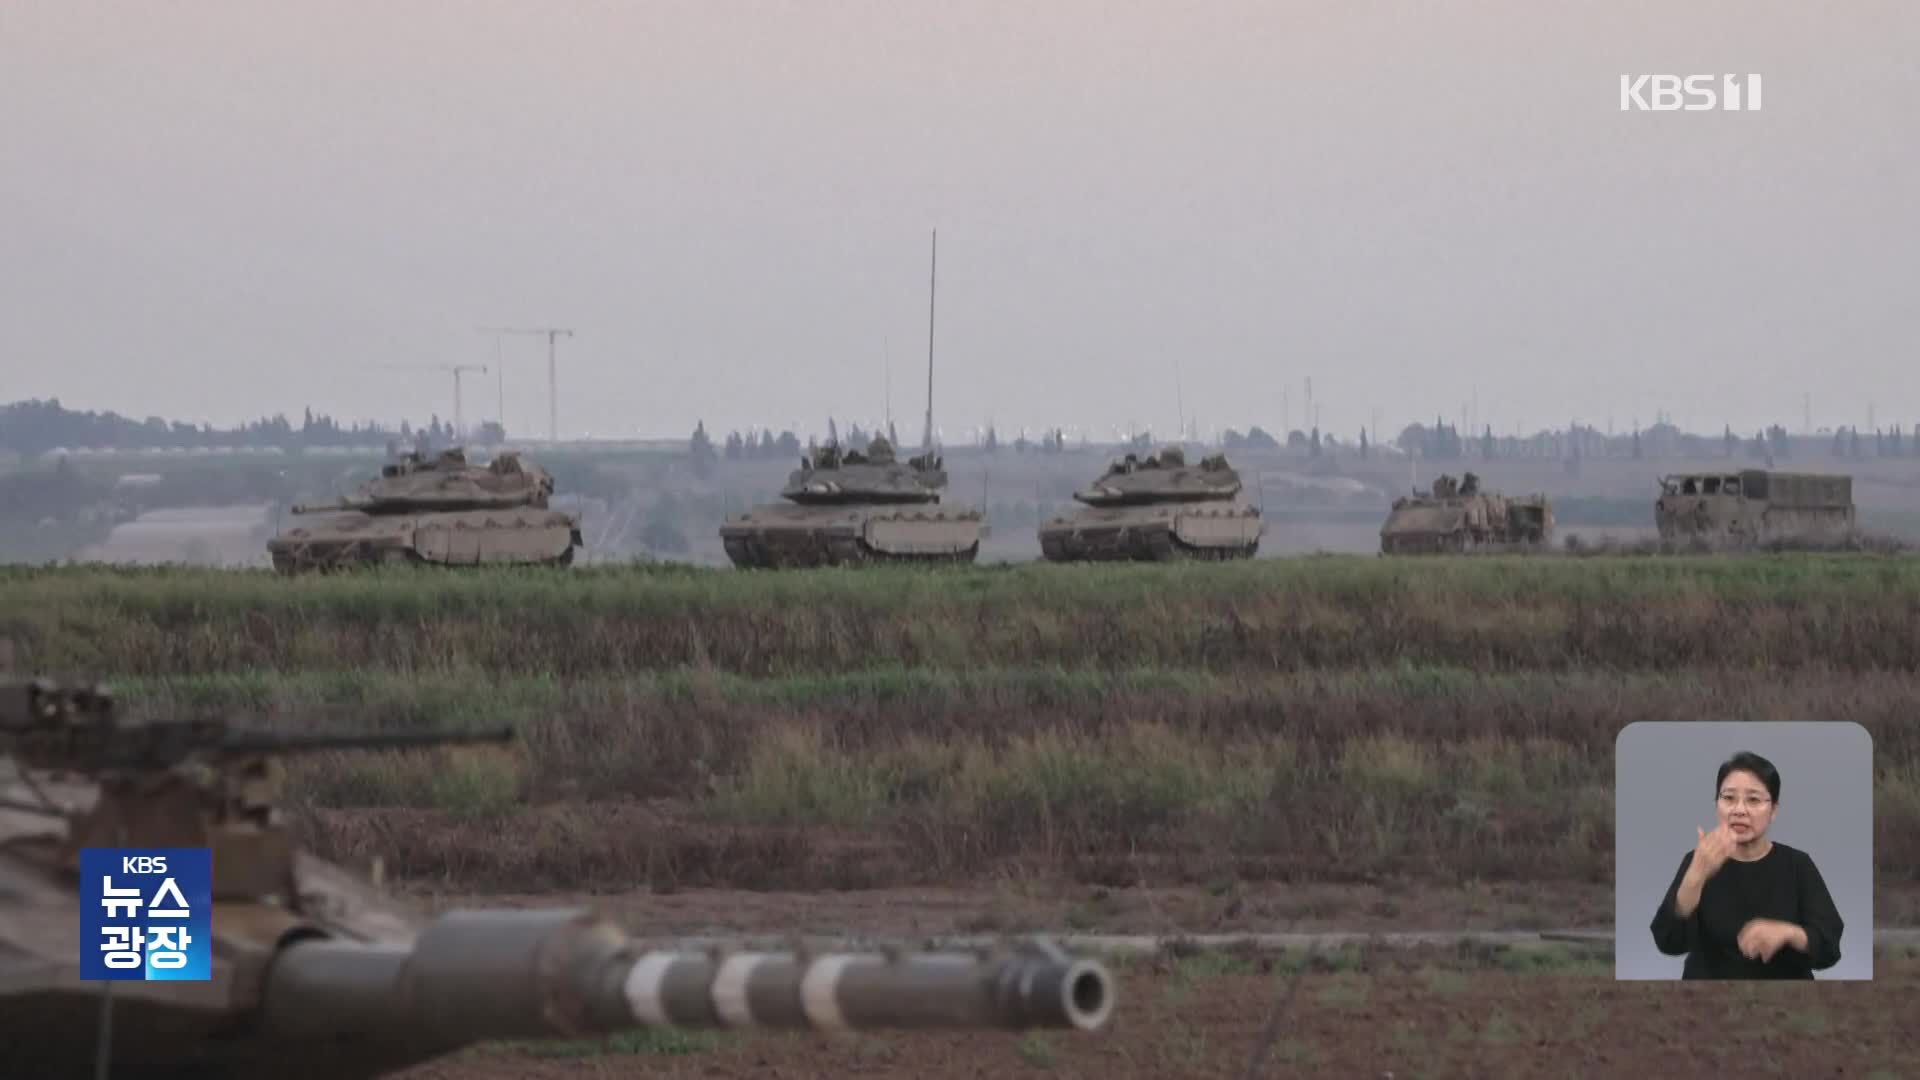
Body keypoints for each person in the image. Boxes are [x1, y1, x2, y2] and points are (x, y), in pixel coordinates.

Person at [1649, 751, 1844, 978]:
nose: (1739, 810)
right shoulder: (1698, 860)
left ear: (1773, 811)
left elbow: (1829, 948)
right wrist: (1696, 876)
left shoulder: (1797, 865)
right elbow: (1668, 942)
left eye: (1753, 800)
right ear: (1717, 804)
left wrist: (1789, 933)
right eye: (1729, 798)